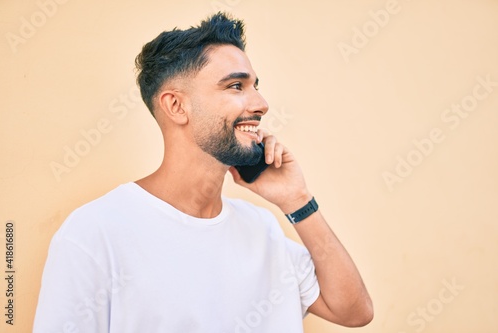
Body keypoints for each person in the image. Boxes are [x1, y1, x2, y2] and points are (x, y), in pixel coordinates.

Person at [33, 12, 373, 333]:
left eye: (255, 85)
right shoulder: (94, 233)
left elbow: (354, 311)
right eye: (236, 86)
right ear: (176, 106)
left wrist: (297, 200)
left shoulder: (264, 230)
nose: (261, 103)